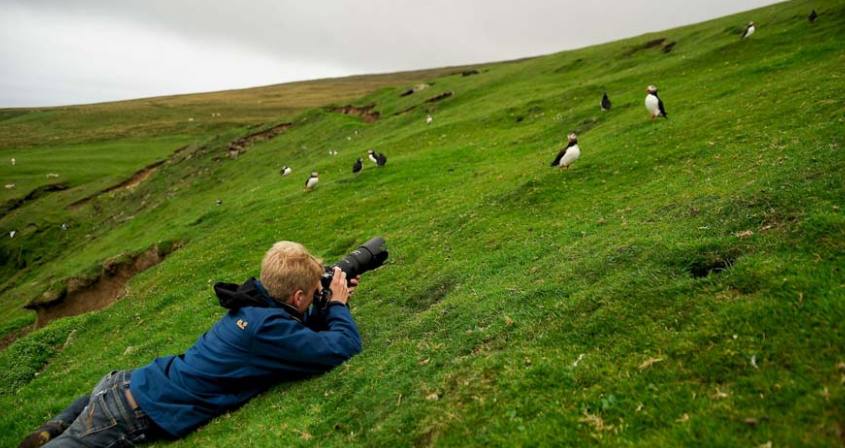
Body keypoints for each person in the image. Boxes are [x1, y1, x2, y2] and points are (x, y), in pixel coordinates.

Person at [20, 241, 362, 447]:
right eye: (312, 292)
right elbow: (341, 346)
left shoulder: (253, 305)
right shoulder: (267, 327)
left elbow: (294, 336)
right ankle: (62, 432)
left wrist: (321, 306)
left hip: (125, 383)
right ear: (298, 295)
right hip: (127, 411)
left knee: (88, 410)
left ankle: (56, 425)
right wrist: (336, 305)